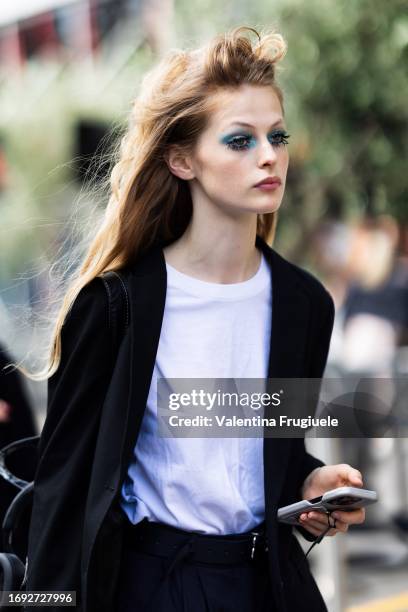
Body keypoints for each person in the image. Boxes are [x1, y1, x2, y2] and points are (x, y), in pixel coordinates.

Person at [24, 27, 367, 612]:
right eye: (240, 140)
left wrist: (311, 486)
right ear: (182, 159)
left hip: (267, 586)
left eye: (277, 136)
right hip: (149, 587)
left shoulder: (304, 304)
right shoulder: (113, 306)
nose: (269, 155)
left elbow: (273, 453)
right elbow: (62, 491)